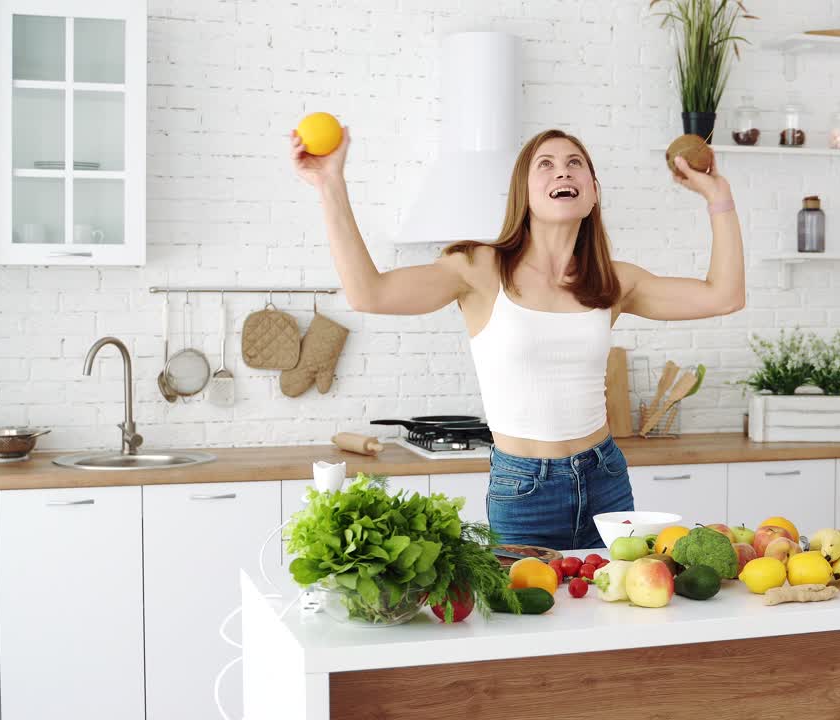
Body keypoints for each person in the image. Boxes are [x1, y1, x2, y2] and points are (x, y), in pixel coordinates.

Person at [291, 126, 745, 550]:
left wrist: (719, 198)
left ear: (591, 195)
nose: (562, 170)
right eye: (544, 164)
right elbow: (368, 293)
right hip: (524, 487)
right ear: (522, 194)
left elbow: (724, 297)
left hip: (605, 475)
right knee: (529, 623)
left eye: (575, 163)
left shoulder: (612, 282)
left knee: (612, 623)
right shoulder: (480, 269)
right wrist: (331, 185)